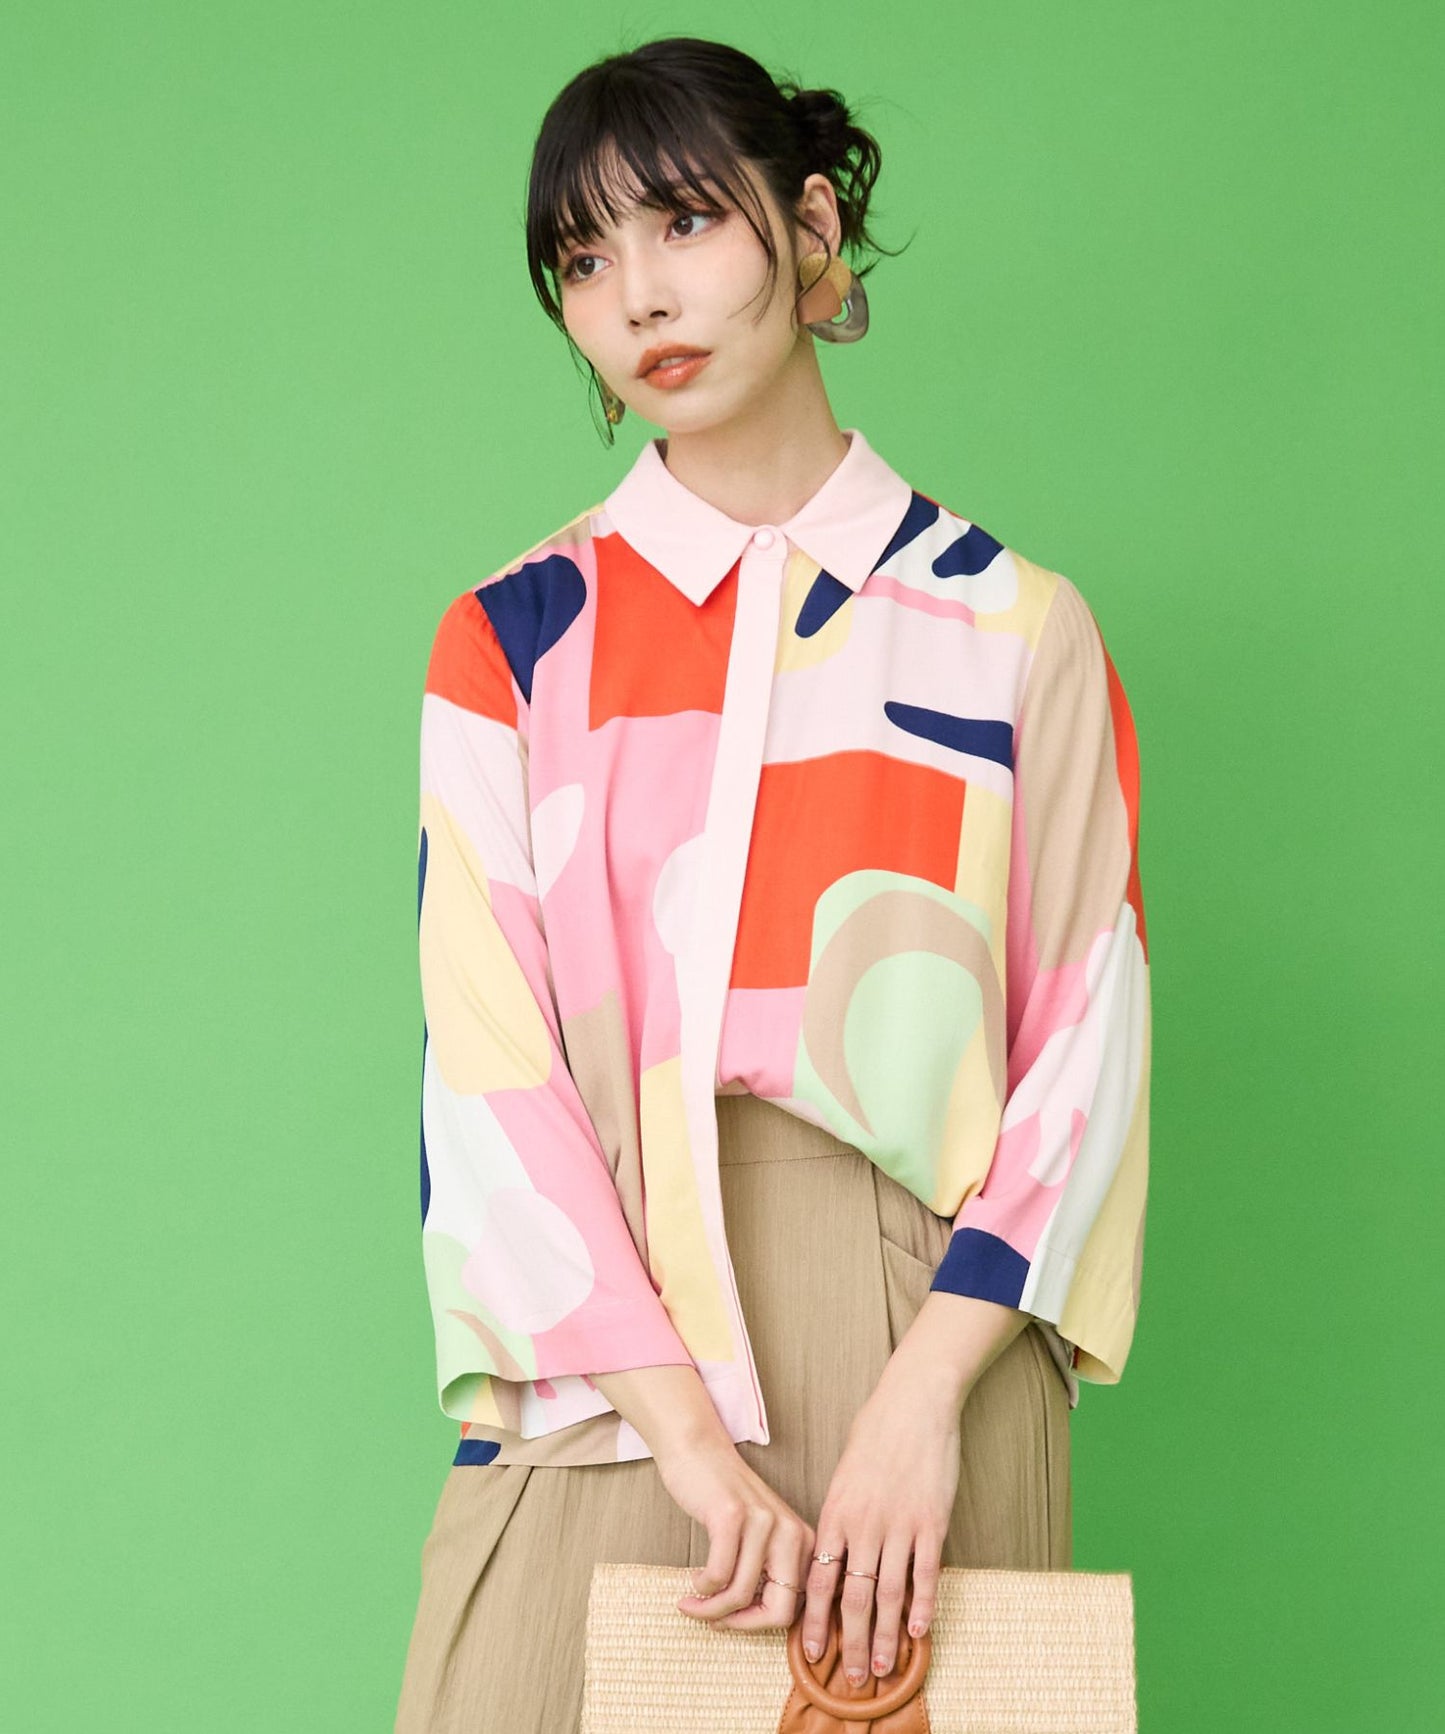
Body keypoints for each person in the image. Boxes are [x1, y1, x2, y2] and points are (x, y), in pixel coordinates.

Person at [395, 34, 1151, 1734]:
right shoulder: (514, 641)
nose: (638, 295)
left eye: (682, 222)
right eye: (583, 259)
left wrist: (925, 1398)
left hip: (927, 1330)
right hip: (606, 1333)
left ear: (810, 229)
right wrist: (676, 1428)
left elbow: (1086, 1040)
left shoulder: (1011, 626)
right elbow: (487, 1058)